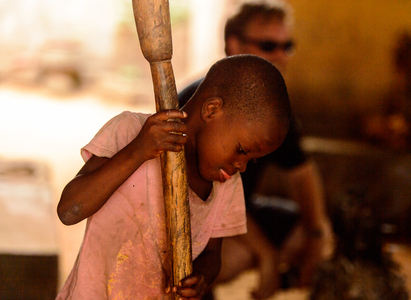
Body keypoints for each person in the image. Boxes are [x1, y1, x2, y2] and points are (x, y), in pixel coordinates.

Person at [55, 55, 291, 300]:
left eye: (250, 160)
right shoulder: (131, 132)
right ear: (212, 110)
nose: (241, 166)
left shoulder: (225, 184)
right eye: (241, 149)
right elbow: (69, 210)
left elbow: (212, 256)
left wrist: (200, 277)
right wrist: (138, 150)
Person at [178, 1, 334, 299]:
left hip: (241, 214)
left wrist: (315, 237)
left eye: (287, 46)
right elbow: (212, 203)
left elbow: (303, 172)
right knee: (231, 254)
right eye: (268, 45)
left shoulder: (269, 107)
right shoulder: (205, 107)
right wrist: (267, 256)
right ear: (233, 44)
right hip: (195, 226)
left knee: (320, 230)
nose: (280, 56)